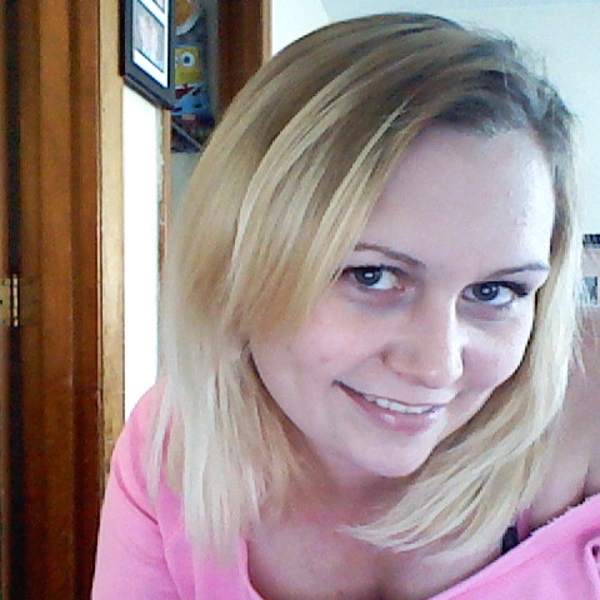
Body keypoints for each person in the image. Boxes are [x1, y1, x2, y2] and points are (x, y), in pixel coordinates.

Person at [92, 12, 600, 600]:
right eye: (371, 275)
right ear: (237, 265)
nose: (439, 367)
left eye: (495, 291)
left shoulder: (584, 415)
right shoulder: (177, 446)